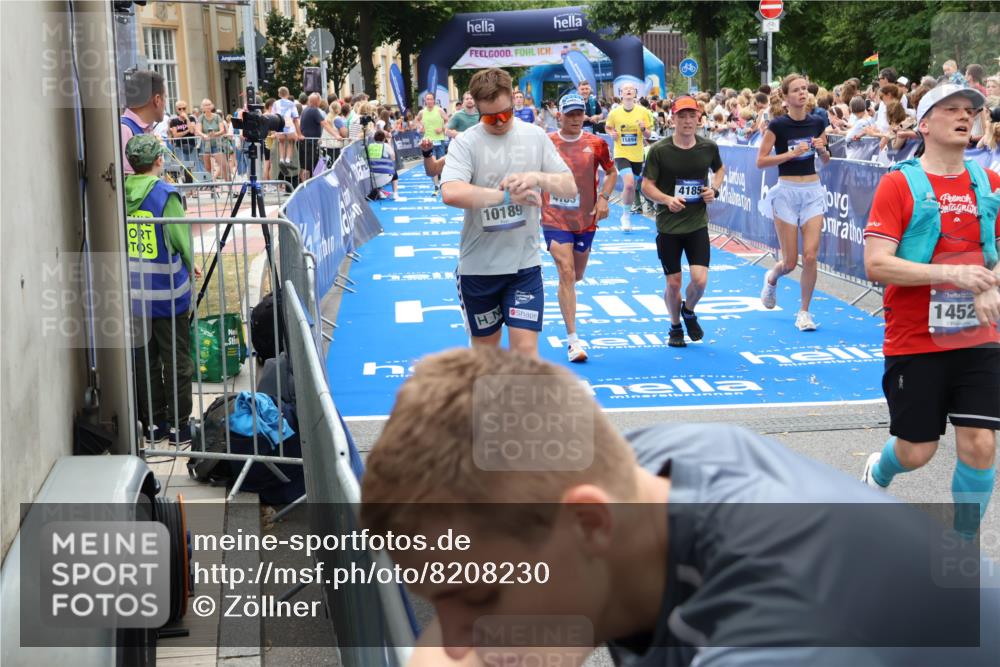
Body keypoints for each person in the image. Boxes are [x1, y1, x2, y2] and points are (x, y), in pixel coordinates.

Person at [362, 347, 1000, 667]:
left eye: (479, 601)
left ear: (590, 523)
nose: (453, 642)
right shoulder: (626, 467)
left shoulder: (773, 632)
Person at [862, 83, 1000, 540]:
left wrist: (991, 283)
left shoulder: (990, 184)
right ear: (924, 124)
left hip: (979, 334)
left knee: (980, 444)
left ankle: (960, 546)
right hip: (915, 336)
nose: (966, 117)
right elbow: (877, 263)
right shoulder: (899, 183)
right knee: (917, 450)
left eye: (971, 111)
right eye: (952, 110)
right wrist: (955, 276)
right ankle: (879, 473)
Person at [439, 67, 576, 357]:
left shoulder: (535, 136)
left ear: (514, 102)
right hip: (479, 268)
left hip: (523, 266)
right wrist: (504, 197)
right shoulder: (466, 143)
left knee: (525, 354)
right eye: (491, 117)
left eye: (506, 113)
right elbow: (450, 192)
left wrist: (538, 178)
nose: (500, 122)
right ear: (476, 108)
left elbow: (569, 186)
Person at [124, 134, 198, 446]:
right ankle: (180, 427)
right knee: (177, 360)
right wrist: (191, 264)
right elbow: (180, 239)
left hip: (133, 296)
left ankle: (153, 424)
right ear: (158, 160)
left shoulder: (118, 192)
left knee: (144, 361)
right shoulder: (166, 194)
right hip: (168, 296)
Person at [641, 96, 725, 348]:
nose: (688, 121)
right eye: (682, 116)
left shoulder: (708, 147)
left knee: (699, 281)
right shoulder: (659, 150)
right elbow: (645, 186)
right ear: (673, 119)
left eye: (692, 115)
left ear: (699, 118)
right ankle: (675, 325)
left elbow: (719, 170)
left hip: (697, 223)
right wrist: (667, 199)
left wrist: (715, 189)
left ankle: (688, 310)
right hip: (669, 226)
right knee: (674, 282)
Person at [541, 93, 617, 363]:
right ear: (559, 115)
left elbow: (611, 172)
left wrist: (604, 198)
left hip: (585, 219)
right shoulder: (546, 142)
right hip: (554, 217)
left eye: (579, 113)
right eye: (569, 114)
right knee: (566, 270)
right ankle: (573, 340)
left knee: (576, 275)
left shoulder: (596, 143)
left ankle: (567, 293)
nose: (575, 119)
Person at [756, 73, 831, 331]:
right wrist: (790, 154)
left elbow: (826, 160)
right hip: (786, 191)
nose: (802, 93)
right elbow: (761, 161)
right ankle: (772, 276)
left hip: (812, 190)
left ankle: (804, 312)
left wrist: (822, 150)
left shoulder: (818, 122)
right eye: (796, 90)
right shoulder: (778, 126)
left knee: (810, 256)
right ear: (786, 97)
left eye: (805, 89)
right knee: (790, 262)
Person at [606, 82, 651, 233]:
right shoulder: (615, 113)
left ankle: (627, 211)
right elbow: (608, 126)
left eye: (631, 89)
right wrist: (611, 133)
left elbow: (648, 135)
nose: (628, 91)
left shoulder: (643, 111)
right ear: (621, 94)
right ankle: (625, 215)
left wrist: (643, 129)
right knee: (630, 184)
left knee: (632, 186)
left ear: (635, 93)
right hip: (621, 153)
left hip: (637, 154)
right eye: (626, 89)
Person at [120, 70, 166, 176]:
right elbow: (129, 181)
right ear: (157, 100)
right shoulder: (125, 129)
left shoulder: (146, 129)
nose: (165, 104)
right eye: (165, 97)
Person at [417, 92, 449, 194]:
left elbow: (447, 120)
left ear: (434, 100)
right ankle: (436, 187)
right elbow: (416, 121)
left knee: (442, 164)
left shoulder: (439, 110)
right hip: (428, 142)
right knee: (432, 164)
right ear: (425, 101)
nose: (429, 101)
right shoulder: (422, 112)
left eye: (431, 99)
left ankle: (444, 184)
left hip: (439, 140)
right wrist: (420, 127)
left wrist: (442, 128)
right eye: (427, 99)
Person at [195, 99, 229, 181]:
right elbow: (198, 130)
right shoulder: (201, 118)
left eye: (209, 104)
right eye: (205, 105)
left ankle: (230, 188)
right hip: (205, 145)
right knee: (208, 169)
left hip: (217, 144)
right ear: (202, 107)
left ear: (212, 106)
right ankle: (212, 190)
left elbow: (222, 130)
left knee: (224, 166)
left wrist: (215, 134)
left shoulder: (217, 117)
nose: (207, 106)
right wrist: (204, 135)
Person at [168, 100, 197, 183]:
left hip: (191, 146)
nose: (182, 111)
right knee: (183, 168)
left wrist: (187, 118)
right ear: (177, 110)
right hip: (179, 147)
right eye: (179, 109)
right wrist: (187, 130)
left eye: (184, 108)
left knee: (192, 167)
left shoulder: (191, 118)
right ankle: (187, 189)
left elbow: (192, 131)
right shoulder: (173, 121)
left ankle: (193, 189)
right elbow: (175, 135)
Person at [272, 86, 301, 165]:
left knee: (281, 143)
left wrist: (274, 131)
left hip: (279, 126)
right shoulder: (292, 104)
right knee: (291, 142)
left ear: (279, 94)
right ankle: (288, 159)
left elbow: (273, 117)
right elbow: (295, 118)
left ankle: (281, 159)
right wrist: (299, 133)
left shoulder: (275, 103)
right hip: (289, 126)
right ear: (287, 94)